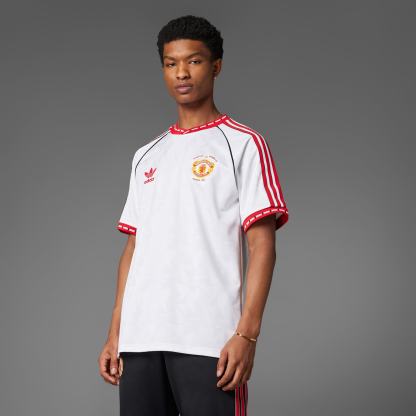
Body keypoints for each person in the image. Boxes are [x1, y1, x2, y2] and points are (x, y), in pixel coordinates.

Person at [98, 14, 289, 416]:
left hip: (209, 340)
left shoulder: (243, 144)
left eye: (194, 61)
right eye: (171, 63)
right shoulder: (146, 155)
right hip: (140, 340)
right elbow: (133, 249)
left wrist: (247, 334)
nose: (181, 73)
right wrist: (116, 332)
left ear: (216, 66)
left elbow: (262, 246)